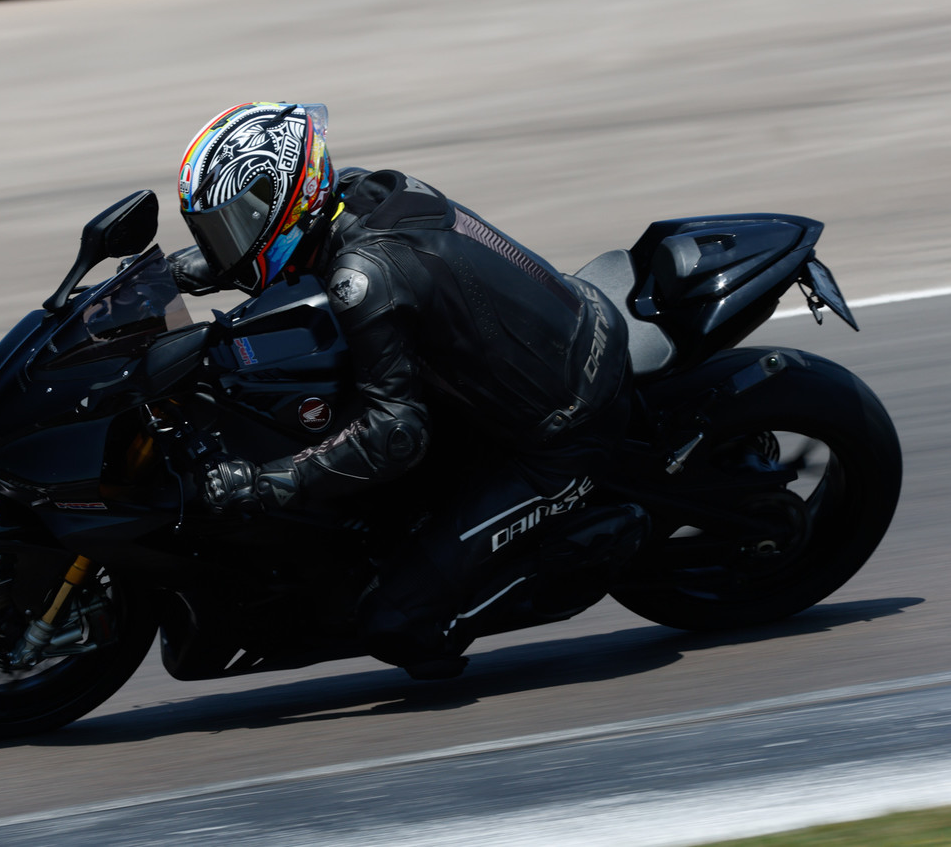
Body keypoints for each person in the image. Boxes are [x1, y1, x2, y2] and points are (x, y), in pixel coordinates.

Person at [169, 102, 649, 679]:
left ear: (289, 201)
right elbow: (273, 248)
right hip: (535, 355)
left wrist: (270, 481)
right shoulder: (353, 193)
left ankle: (530, 573)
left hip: (562, 427)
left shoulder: (363, 276)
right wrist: (185, 271)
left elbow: (395, 434)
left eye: (231, 225)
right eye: (214, 231)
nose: (224, 241)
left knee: (394, 622)